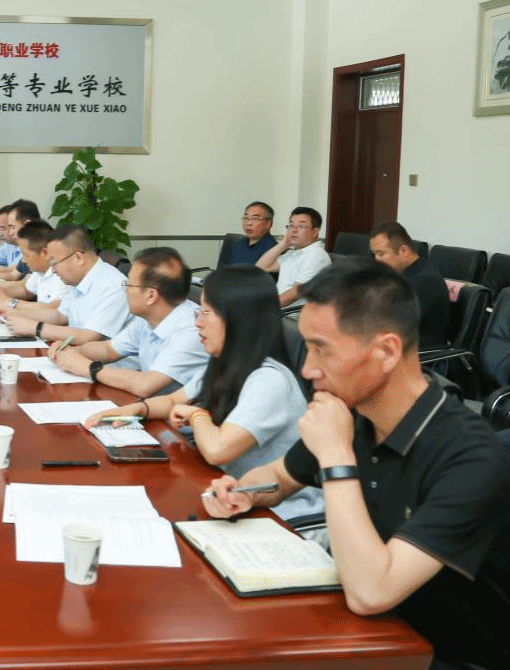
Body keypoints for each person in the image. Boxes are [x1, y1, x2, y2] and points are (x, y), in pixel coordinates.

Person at [203, 261, 510, 670]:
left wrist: (336, 456)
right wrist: (242, 492)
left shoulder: (470, 456)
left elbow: (372, 593)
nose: (307, 369)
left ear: (387, 351)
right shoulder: (354, 411)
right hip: (365, 628)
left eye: (321, 349)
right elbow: (277, 477)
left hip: (445, 653)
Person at [85, 266, 323, 523]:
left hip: (282, 516)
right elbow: (174, 400)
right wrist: (139, 409)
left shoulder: (269, 381)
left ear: (239, 319)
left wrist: (197, 415)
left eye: (206, 313)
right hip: (229, 494)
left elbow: (217, 450)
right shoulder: (225, 363)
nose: (197, 321)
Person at [50, 247, 208, 397]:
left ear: (151, 296)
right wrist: (71, 352)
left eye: (129, 284)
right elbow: (109, 349)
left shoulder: (191, 330)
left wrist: (88, 368)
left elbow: (145, 384)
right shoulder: (148, 318)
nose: (125, 290)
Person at [1, 224, 131, 345]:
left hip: (101, 360)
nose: (53, 270)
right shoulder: (78, 279)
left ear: (78, 258)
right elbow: (60, 315)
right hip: (76, 353)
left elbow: (89, 336)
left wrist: (35, 328)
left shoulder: (113, 286)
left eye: (54, 263)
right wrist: (14, 314)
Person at [369, 221, 450, 348]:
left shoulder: (424, 281)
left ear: (404, 250)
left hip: (418, 353)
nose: (377, 260)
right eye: (374, 254)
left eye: (381, 254)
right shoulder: (406, 272)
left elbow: (392, 325)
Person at [0, 220, 71, 313]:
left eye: (25, 255)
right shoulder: (40, 270)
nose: (23, 260)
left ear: (44, 252)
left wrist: (9, 302)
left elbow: (54, 309)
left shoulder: (63, 274)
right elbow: (26, 290)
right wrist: (1, 292)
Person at [256, 206, 331, 308]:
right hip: (280, 309)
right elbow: (261, 267)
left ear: (315, 232)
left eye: (301, 226)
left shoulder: (317, 256)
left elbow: (295, 293)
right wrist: (284, 244)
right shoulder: (294, 253)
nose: (294, 230)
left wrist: (266, 308)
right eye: (291, 225)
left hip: (293, 313)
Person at [221, 201, 277, 267]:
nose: (248, 223)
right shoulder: (236, 244)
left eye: (255, 219)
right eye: (246, 218)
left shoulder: (273, 250)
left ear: (268, 223)